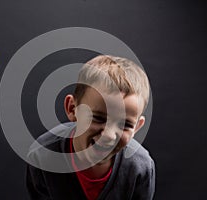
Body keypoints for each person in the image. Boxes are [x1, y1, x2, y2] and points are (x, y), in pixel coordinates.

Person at [25, 55, 155, 200]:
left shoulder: (140, 168)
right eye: (98, 118)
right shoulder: (43, 156)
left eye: (126, 125)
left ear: (137, 127)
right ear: (72, 108)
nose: (109, 135)